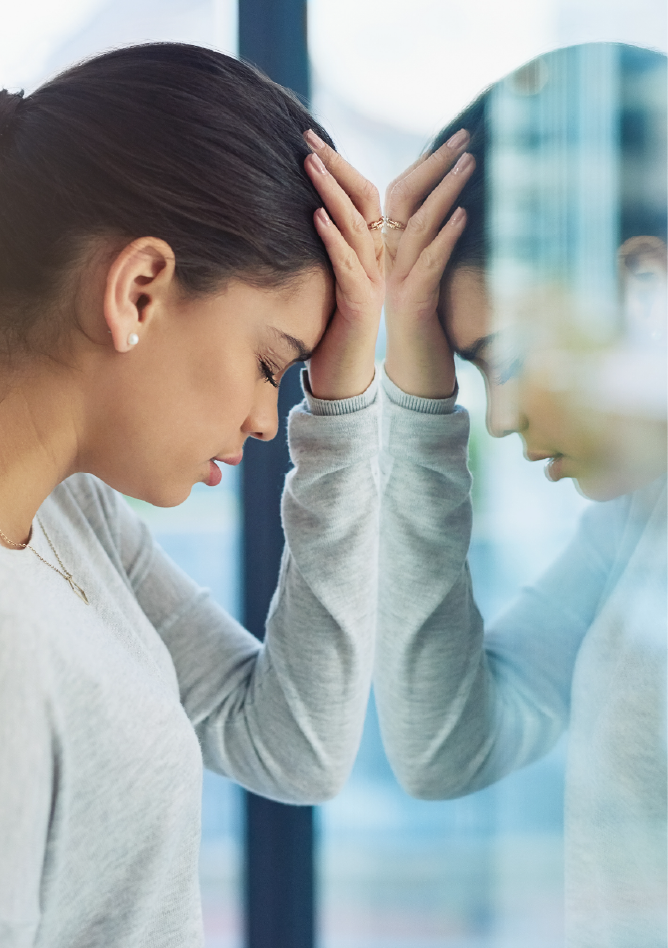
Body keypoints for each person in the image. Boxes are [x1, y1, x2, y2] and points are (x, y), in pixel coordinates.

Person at [0, 43, 384, 947]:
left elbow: (291, 744)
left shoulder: (67, 516)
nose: (265, 420)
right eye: (270, 365)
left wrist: (344, 404)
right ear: (138, 290)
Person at [348, 41, 668, 946]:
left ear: (646, 286)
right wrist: (417, 398)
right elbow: (449, 745)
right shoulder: (639, 518)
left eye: (508, 362)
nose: (497, 422)